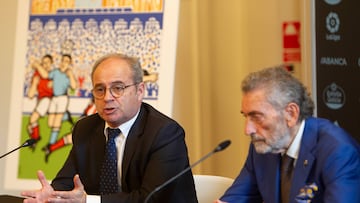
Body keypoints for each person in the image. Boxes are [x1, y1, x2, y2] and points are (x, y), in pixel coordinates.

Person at [21, 53, 198, 203]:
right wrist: (52, 195)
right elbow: (67, 182)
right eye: (100, 89)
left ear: (140, 91)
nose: (107, 97)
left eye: (118, 88)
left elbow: (149, 198)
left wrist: (88, 200)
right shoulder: (85, 128)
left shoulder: (164, 133)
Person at [215, 66, 360, 203]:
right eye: (245, 117)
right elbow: (238, 197)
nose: (247, 130)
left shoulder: (339, 151)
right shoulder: (263, 148)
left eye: (257, 117)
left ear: (291, 113)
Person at [27, 54, 54, 149]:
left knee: (33, 119)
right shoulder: (37, 75)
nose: (45, 65)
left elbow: (45, 75)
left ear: (51, 63)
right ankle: (35, 139)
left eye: (47, 62)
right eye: (43, 63)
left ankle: (36, 138)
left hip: (48, 100)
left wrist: (37, 65)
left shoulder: (53, 74)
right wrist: (34, 83)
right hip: (40, 100)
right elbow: (30, 94)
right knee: (30, 126)